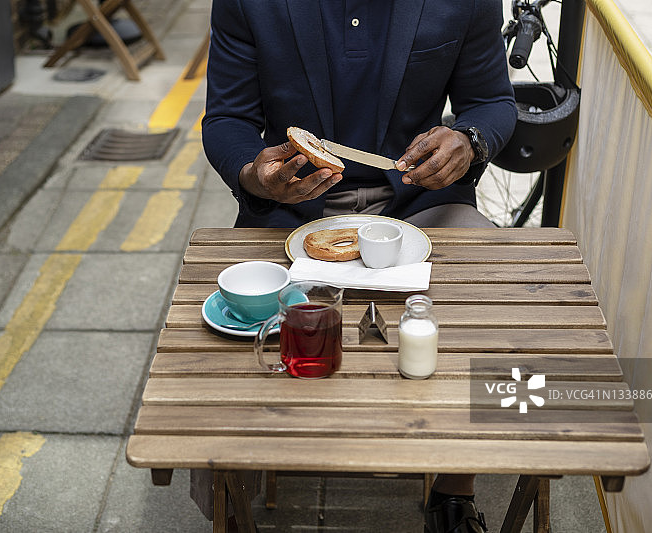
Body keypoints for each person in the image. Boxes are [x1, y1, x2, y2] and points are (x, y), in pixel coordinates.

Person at [200, 1, 517, 531]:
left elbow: (490, 102)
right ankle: (233, 482)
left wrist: (469, 141)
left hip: (419, 202)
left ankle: (455, 486)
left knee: (486, 297)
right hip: (291, 205)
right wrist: (254, 176)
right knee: (226, 324)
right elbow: (228, 118)